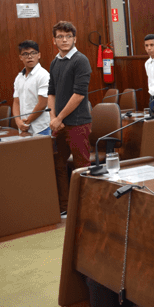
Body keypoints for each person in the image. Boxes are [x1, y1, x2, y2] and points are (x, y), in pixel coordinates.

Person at [48, 21, 92, 214]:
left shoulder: (81, 60)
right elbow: (51, 93)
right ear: (54, 40)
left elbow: (79, 94)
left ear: (75, 38)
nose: (64, 40)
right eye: (60, 36)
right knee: (58, 164)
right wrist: (53, 118)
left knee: (82, 166)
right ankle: (66, 207)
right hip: (60, 124)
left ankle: (87, 207)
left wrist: (60, 117)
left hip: (78, 123)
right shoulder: (54, 62)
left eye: (68, 36)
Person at [13, 40, 50, 135]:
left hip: (41, 128)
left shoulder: (43, 75)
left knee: (43, 150)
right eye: (25, 54)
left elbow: (43, 103)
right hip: (24, 127)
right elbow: (16, 102)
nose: (29, 56)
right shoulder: (19, 77)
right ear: (20, 57)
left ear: (39, 55)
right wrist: (18, 121)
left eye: (33, 53)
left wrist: (27, 122)